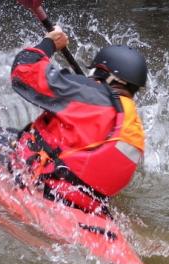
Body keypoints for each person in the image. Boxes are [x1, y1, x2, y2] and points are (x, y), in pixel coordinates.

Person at [9, 26, 147, 218]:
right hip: (85, 205)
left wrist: (49, 43)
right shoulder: (131, 122)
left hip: (43, 184)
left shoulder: (87, 93)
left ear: (106, 74)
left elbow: (23, 70)